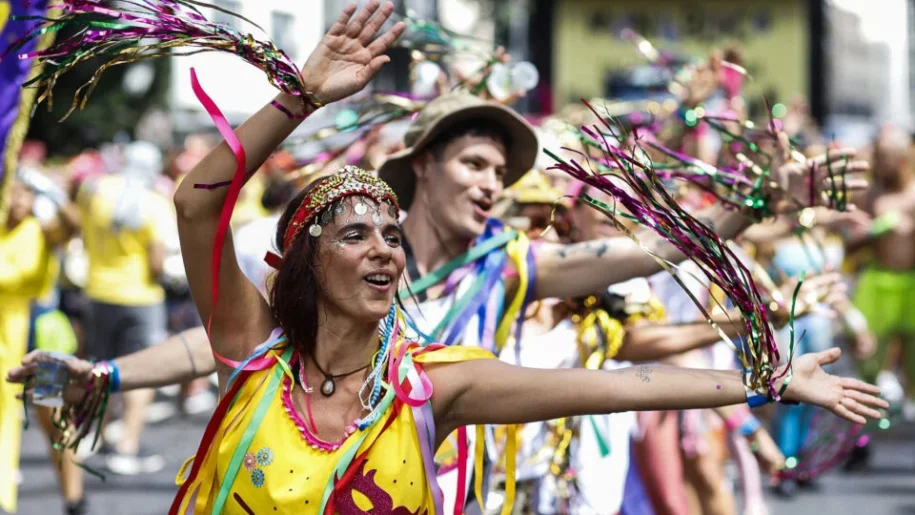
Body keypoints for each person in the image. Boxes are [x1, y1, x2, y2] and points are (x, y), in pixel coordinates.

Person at [18, 5, 885, 515]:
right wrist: (300, 98)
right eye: (356, 234)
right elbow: (199, 243)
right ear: (422, 163)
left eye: (388, 236)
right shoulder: (257, 352)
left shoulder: (457, 349)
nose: (382, 248)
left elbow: (631, 367)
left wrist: (765, 373)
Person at [77, 140, 173, 474]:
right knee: (142, 373)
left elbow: (83, 230)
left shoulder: (96, 191)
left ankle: (96, 436)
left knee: (99, 367)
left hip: (99, 290)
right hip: (141, 297)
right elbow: (157, 263)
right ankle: (127, 447)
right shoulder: (155, 202)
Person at [0, 176, 86, 515]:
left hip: (40, 337)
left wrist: (51, 188)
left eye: (25, 193)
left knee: (54, 418)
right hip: (3, 336)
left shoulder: (43, 231)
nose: (19, 200)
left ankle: (75, 500)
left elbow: (73, 225)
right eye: (12, 192)